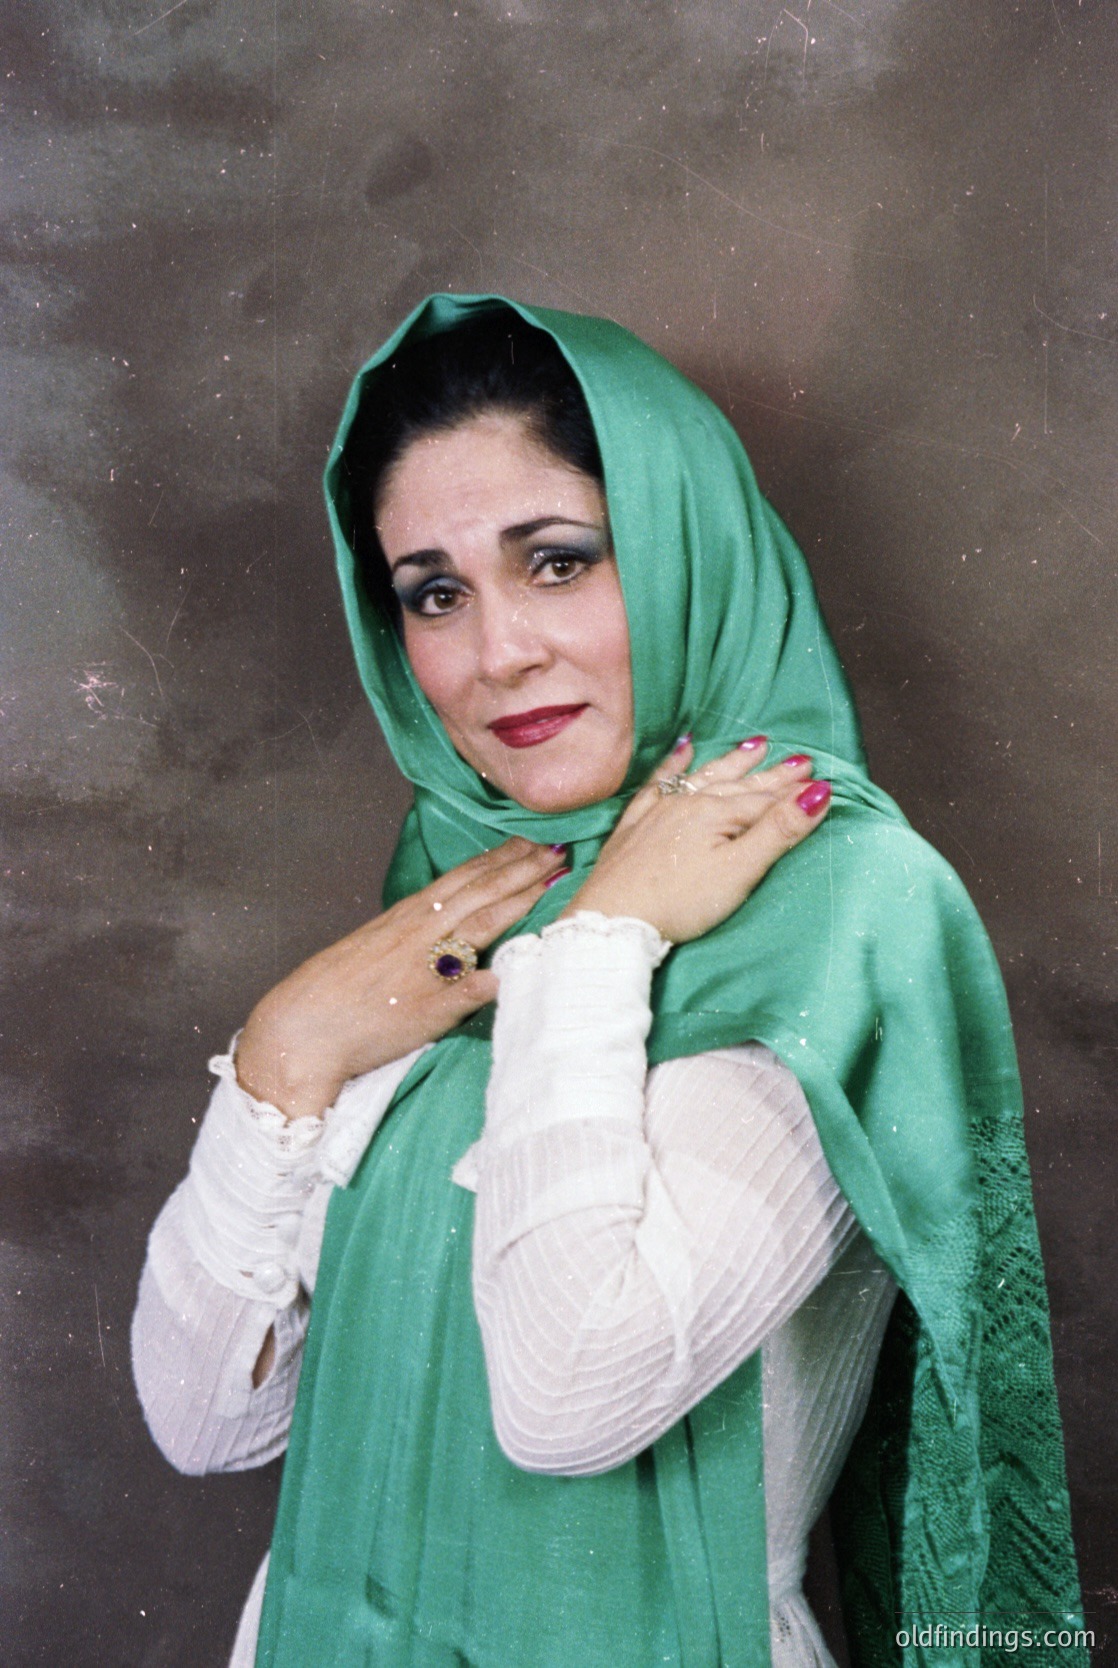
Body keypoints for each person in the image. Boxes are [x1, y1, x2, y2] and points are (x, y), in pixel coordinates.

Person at [132, 296, 1086, 1668]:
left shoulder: (841, 909)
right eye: (435, 594)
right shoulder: (456, 897)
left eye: (561, 563)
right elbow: (210, 1421)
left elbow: (571, 1394)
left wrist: (597, 951)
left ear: (688, 548)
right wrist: (284, 1056)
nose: (496, 653)